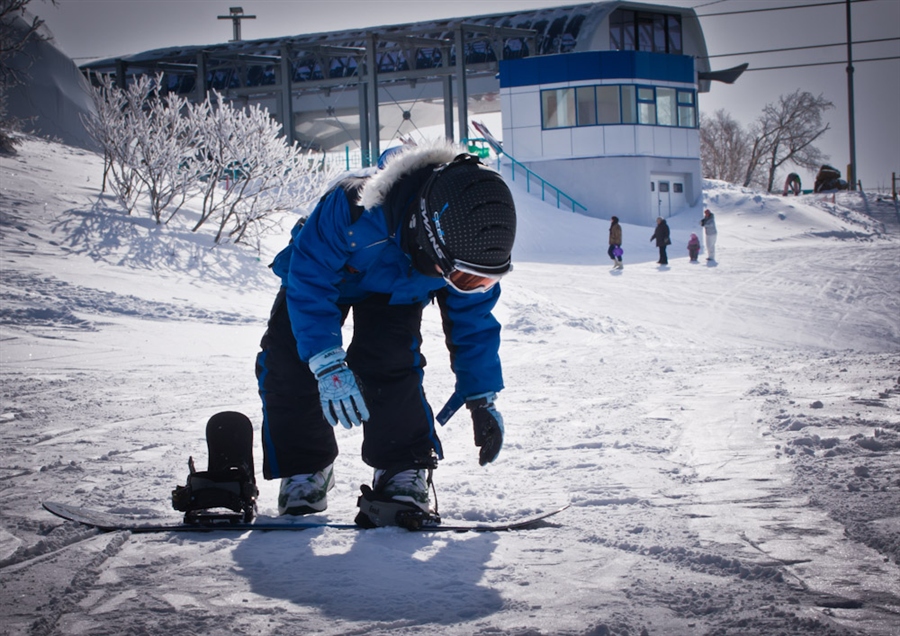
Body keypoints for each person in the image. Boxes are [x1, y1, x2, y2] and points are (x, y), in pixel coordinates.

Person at [254, 141, 517, 528]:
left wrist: (481, 397)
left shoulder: (470, 252)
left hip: (396, 289)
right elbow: (310, 281)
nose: (471, 285)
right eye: (464, 277)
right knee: (289, 362)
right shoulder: (351, 207)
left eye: (482, 280)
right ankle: (305, 468)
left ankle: (401, 468)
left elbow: (473, 324)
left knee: (390, 362)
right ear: (430, 235)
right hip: (324, 277)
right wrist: (326, 361)